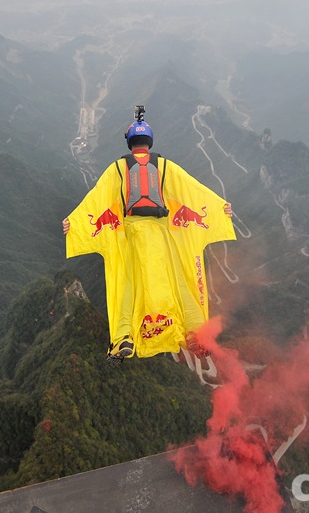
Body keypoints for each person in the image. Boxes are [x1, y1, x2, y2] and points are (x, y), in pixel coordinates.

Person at [64, 108, 235, 363]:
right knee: (180, 283)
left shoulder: (119, 169)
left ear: (130, 143)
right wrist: (221, 208)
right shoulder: (164, 166)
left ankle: (124, 337)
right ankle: (194, 331)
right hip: (162, 234)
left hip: (133, 235)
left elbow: (97, 199)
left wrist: (74, 223)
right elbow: (192, 190)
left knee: (128, 288)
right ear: (149, 142)